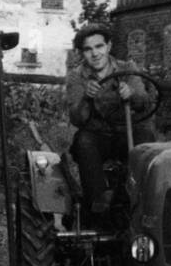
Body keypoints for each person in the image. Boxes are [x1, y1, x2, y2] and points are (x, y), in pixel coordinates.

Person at [65, 23, 153, 218]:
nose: (95, 54)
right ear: (82, 53)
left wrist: (131, 94)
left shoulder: (127, 68)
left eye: (99, 46)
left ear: (109, 46)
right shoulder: (76, 77)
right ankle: (98, 201)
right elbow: (77, 118)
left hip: (126, 132)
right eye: (88, 49)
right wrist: (86, 98)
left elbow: (143, 101)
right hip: (98, 136)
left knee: (147, 138)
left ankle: (144, 196)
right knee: (84, 141)